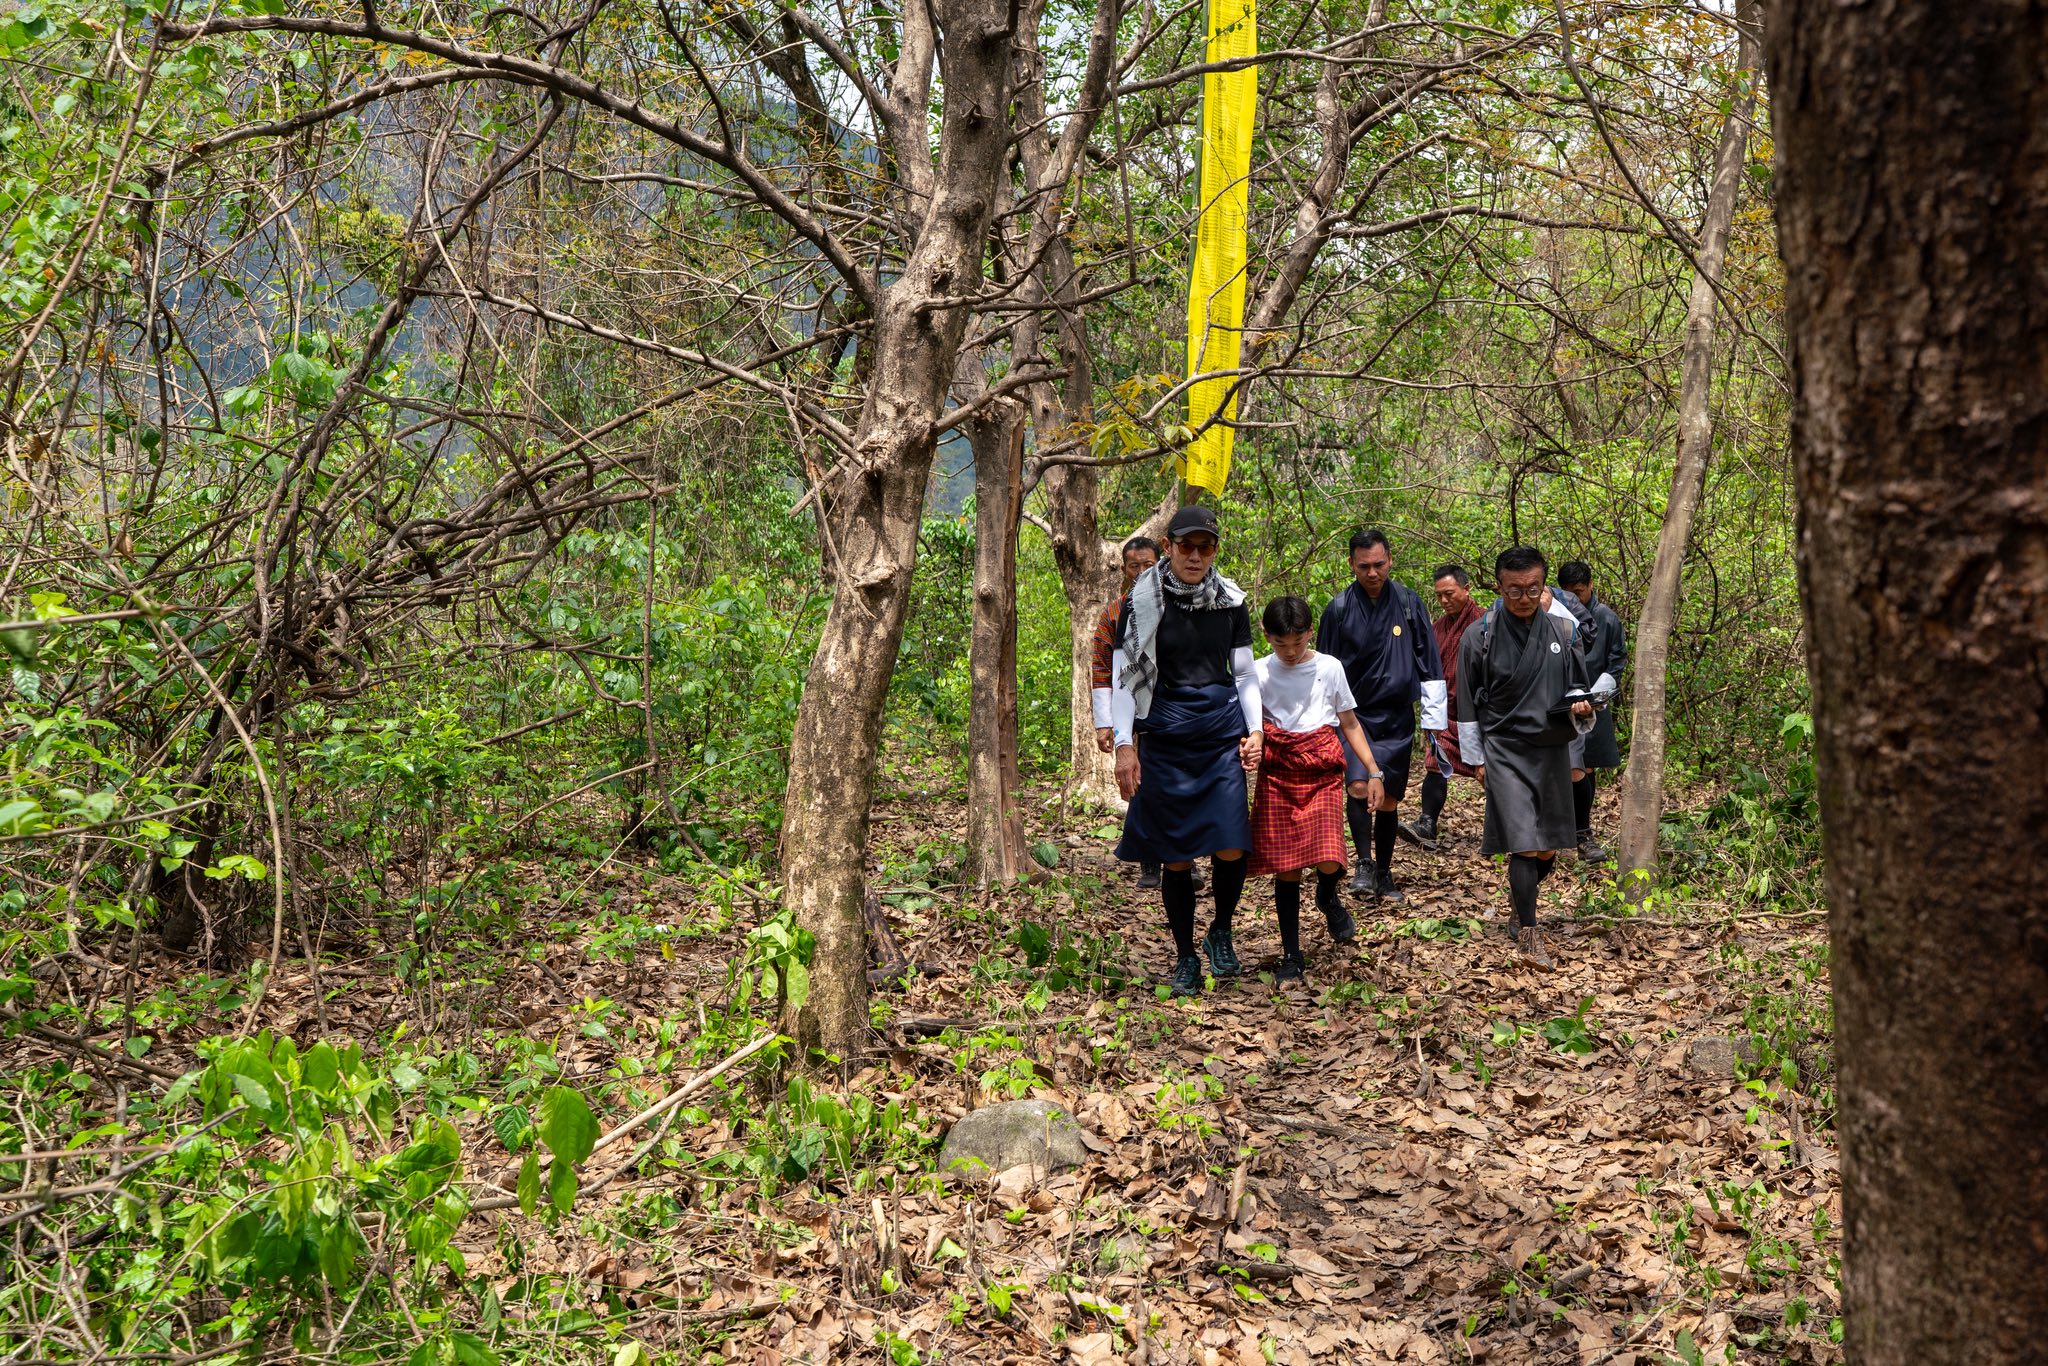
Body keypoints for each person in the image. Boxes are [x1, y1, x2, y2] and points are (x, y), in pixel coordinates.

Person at [1110, 506, 1262, 997]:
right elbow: (1125, 679)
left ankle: (1221, 929)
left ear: (1215, 549)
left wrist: (1255, 730)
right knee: (1175, 857)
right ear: (1170, 546)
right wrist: (1124, 745)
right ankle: (1184, 956)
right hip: (1166, 736)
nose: (1196, 556)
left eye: (1206, 547)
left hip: (1219, 734)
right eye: (1187, 546)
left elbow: (1242, 673)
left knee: (1231, 842)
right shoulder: (1140, 601)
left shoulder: (1230, 600)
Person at [1457, 546, 1602, 968]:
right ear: (1499, 587)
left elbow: (1579, 687)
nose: (1523, 597)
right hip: (1504, 748)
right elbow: (1466, 703)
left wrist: (1583, 706)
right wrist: (1477, 760)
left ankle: (1521, 902)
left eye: (1532, 589)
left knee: (1547, 849)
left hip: (1552, 746)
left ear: (1544, 588)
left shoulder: (1563, 631)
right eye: (1514, 590)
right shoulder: (1479, 636)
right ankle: (1529, 932)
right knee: (1523, 842)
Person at [1247, 596, 1383, 977]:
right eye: (1280, 644)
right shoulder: (1257, 673)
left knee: (1329, 855)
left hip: (1322, 768)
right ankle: (1292, 954)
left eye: (1298, 642)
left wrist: (1373, 771)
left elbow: (1350, 723)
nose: (1290, 652)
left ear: (1311, 633)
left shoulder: (1329, 667)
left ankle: (1327, 894)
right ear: (1266, 635)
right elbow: (1249, 725)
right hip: (1279, 771)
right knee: (1287, 868)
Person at [1315, 529, 1447, 903]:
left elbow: (1429, 661)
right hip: (1354, 717)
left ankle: (1385, 872)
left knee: (1388, 797)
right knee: (1358, 787)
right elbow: (1324, 668)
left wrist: (1434, 726)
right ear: (1351, 564)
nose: (1372, 573)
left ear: (1390, 560)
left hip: (1397, 717)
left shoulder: (1408, 602)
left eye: (1378, 564)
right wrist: (1325, 723)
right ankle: (1363, 863)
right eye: (1363, 566)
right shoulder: (1338, 608)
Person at [1091, 536, 1166, 887]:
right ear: (1123, 570)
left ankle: (1183, 857)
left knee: (1172, 781)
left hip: (1169, 708)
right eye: (1133, 566)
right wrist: (1105, 723)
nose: (1140, 572)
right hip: (1130, 713)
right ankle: (1149, 859)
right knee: (1141, 782)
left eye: (1147, 566)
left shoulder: (1174, 606)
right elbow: (1102, 668)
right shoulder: (1113, 614)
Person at [1403, 564, 1483, 850]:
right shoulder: (1437, 628)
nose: (1444, 601)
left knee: (1491, 771)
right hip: (1445, 711)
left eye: (1449, 594)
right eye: (1439, 596)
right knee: (1435, 764)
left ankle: (1506, 826)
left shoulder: (1486, 622)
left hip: (1479, 714)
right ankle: (1427, 822)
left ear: (1466, 588)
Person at [1556, 560, 1627, 861]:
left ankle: (1582, 831)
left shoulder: (1607, 618)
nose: (1575, 598)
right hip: (1560, 701)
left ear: (1590, 586)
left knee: (1586, 765)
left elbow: (1617, 659)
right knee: (1563, 766)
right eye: (1568, 592)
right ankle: (1563, 827)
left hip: (1595, 698)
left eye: (1580, 592)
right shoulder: (1555, 615)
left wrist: (1598, 694)